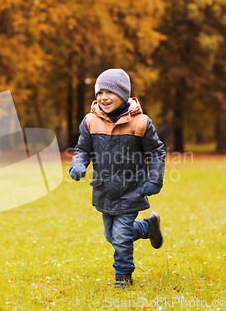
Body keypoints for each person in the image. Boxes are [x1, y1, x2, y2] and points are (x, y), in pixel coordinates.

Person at [69, 68, 166, 288]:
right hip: (104, 189)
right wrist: (78, 163)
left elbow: (156, 152)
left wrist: (154, 180)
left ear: (123, 94)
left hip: (132, 188)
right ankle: (147, 228)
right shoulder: (91, 122)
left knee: (121, 237)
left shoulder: (141, 123)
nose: (103, 97)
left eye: (109, 92)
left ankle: (123, 278)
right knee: (111, 236)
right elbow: (82, 148)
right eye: (99, 92)